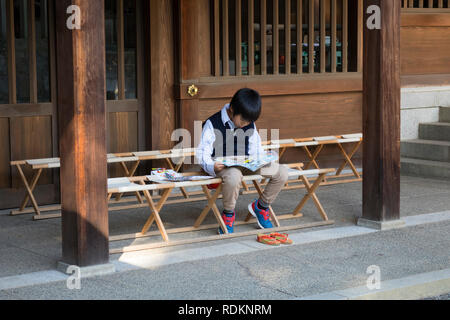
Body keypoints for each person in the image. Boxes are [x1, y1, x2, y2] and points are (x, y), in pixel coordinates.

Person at [196, 88, 289, 234]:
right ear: (232, 110)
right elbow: (202, 153)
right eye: (244, 120)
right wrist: (211, 165)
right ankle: (228, 213)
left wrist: (264, 157)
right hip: (223, 167)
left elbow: (255, 149)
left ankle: (262, 206)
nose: (246, 124)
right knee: (234, 176)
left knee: (282, 172)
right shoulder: (212, 123)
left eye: (250, 122)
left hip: (246, 163)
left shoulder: (249, 123)